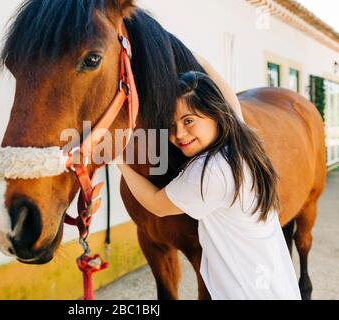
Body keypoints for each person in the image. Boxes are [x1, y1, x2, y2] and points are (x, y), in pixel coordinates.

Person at [116, 56, 301, 300]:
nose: (179, 134)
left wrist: (119, 161)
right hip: (276, 287)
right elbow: (229, 97)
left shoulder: (209, 172)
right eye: (171, 125)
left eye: (188, 121)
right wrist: (195, 56)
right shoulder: (242, 142)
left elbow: (156, 205)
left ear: (214, 114)